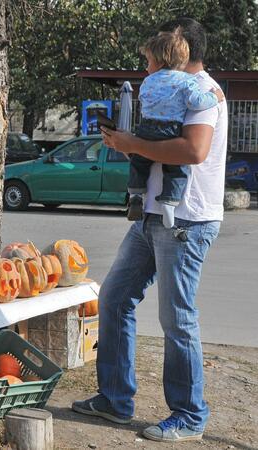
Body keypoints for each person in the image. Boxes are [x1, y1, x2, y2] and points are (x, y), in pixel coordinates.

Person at [72, 18, 227, 443]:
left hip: (187, 220)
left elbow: (194, 150)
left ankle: (190, 416)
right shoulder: (170, 87)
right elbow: (157, 142)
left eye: (155, 56)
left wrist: (132, 145)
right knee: (115, 297)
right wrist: (126, 141)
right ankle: (116, 400)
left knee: (176, 319)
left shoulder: (204, 93)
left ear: (180, 50)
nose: (146, 68)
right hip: (152, 215)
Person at [127, 29, 224, 227]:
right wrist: (215, 97)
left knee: (139, 161)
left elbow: (144, 100)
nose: (146, 68)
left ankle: (135, 193)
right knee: (177, 169)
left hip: (146, 127)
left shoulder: (147, 81)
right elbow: (196, 102)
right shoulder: (187, 81)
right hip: (169, 129)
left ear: (161, 61)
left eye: (149, 62)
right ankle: (169, 203)